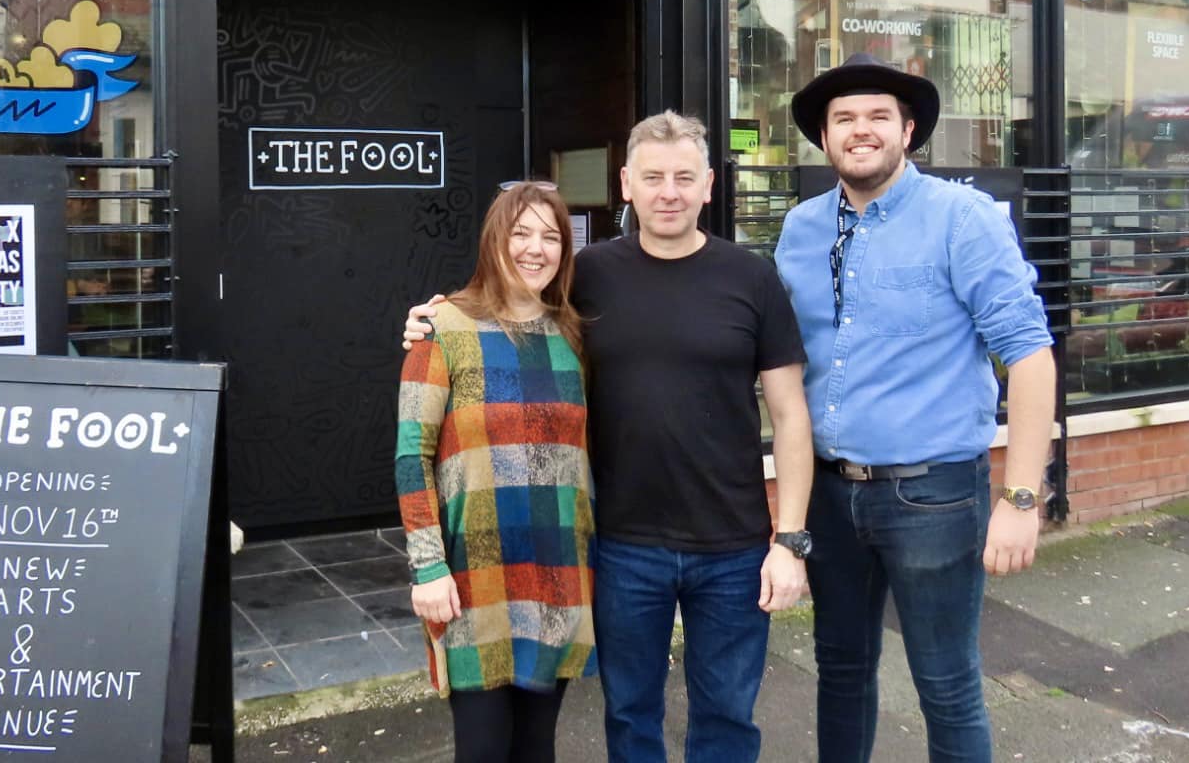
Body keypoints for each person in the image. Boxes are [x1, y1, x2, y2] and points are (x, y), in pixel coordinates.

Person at [408, 113, 815, 763]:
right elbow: (511, 302)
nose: (669, 192)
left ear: (709, 184)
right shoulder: (587, 275)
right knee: (630, 719)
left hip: (734, 545)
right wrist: (435, 318)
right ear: (627, 183)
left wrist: (789, 540)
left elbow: (792, 416)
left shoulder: (752, 277)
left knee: (728, 721)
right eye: (653, 177)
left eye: (685, 177)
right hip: (623, 547)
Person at [774, 52, 1056, 762]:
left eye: (877, 117)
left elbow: (1028, 355)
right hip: (831, 496)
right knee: (839, 672)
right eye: (844, 119)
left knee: (947, 685)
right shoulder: (801, 230)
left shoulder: (962, 218)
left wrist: (1022, 497)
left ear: (907, 130)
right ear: (825, 138)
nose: (859, 130)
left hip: (932, 494)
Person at [396, 181, 596, 763]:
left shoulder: (571, 334)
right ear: (494, 242)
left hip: (558, 569)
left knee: (537, 748)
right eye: (521, 233)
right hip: (473, 574)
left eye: (551, 236)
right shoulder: (443, 329)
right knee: (481, 750)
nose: (536, 248)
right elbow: (412, 455)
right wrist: (427, 566)